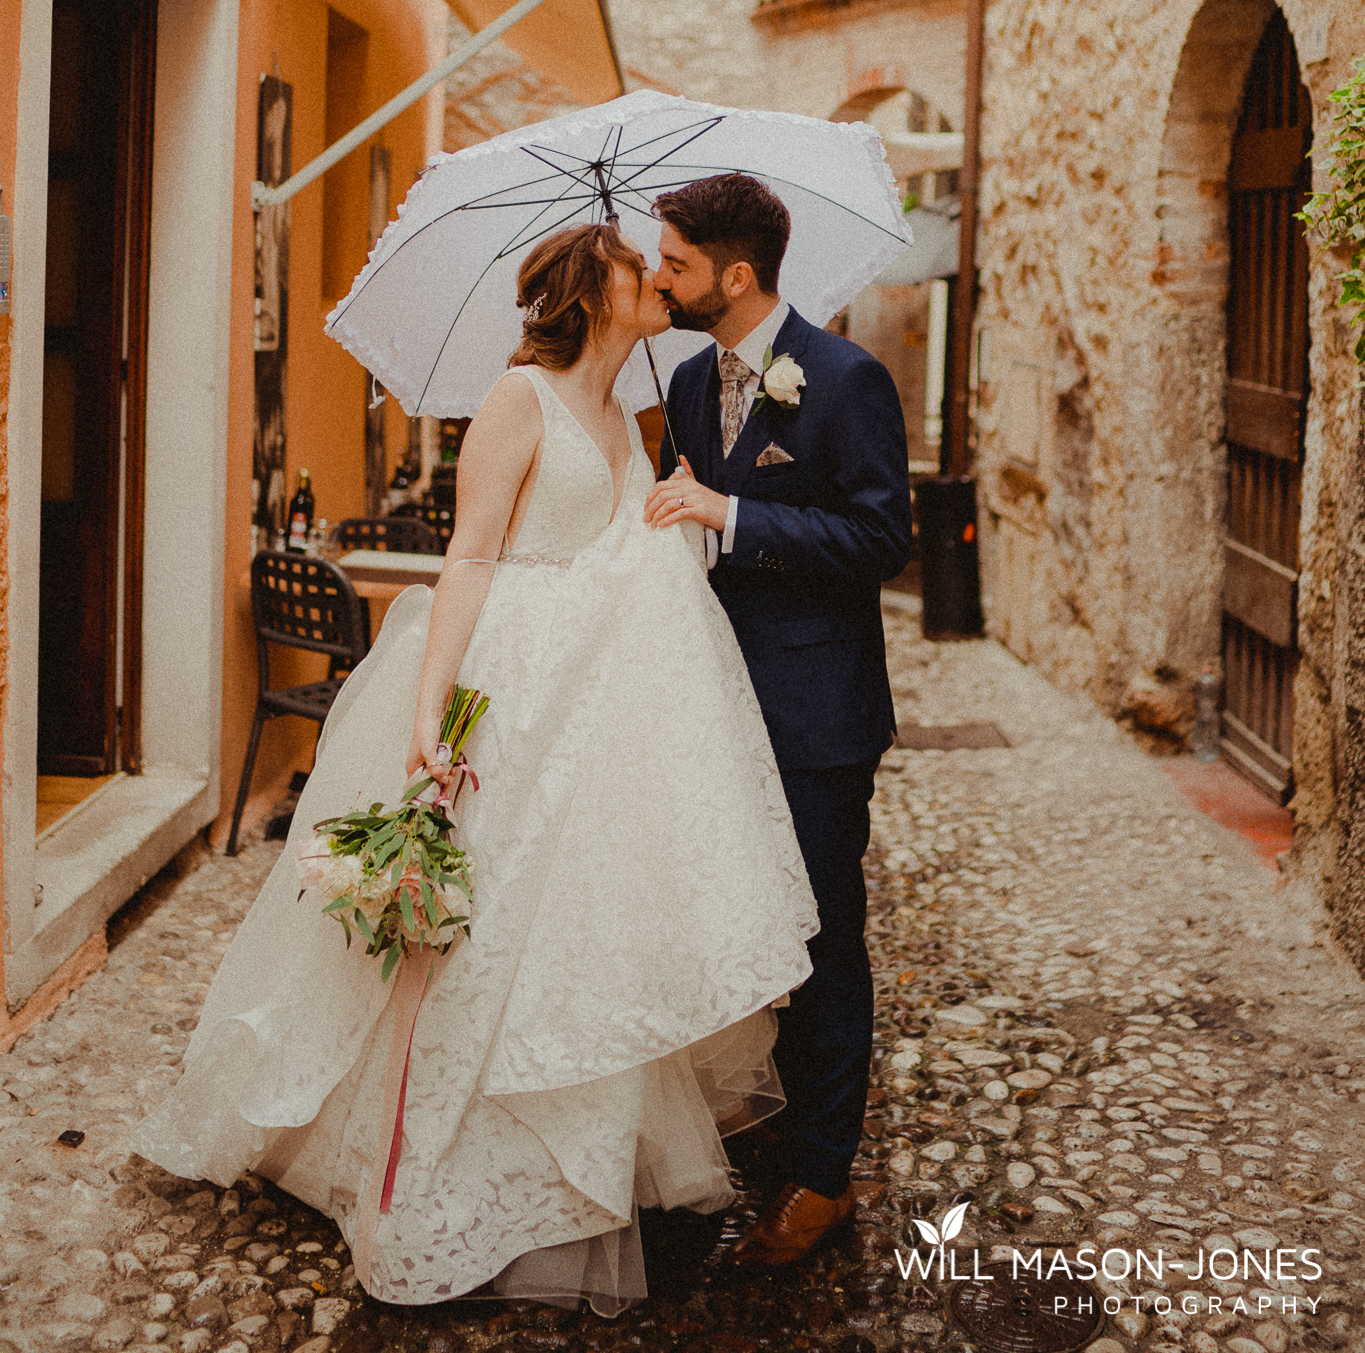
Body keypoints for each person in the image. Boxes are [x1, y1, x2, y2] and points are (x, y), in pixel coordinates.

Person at [132, 224, 817, 1315]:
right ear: (595, 289)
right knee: (464, 938)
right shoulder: (519, 400)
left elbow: (620, 549)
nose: (659, 277)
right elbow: (472, 556)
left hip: (597, 713)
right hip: (511, 690)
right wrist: (432, 712)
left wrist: (671, 511)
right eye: (641, 265)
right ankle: (416, 1181)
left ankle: (560, 1171)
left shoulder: (632, 409)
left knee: (573, 941)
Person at [645, 174, 912, 1268]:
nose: (659, 277)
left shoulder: (847, 379)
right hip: (711, 708)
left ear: (736, 273)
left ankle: (822, 1175)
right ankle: (767, 1118)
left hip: (813, 713)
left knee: (819, 939)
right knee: (738, 926)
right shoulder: (683, 379)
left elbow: (880, 541)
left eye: (673, 263)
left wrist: (736, 511)